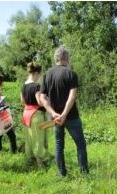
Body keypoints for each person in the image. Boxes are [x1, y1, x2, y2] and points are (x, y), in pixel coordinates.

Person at [40, 47, 89, 177]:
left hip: (55, 118)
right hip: (71, 116)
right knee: (80, 144)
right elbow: (72, 96)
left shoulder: (47, 75)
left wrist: (53, 112)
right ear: (66, 59)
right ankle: (84, 173)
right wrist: (65, 114)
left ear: (56, 58)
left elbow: (42, 97)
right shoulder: (70, 73)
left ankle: (62, 174)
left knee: (58, 145)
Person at [21, 62, 50, 168]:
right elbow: (39, 102)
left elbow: (22, 101)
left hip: (26, 114)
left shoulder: (24, 85)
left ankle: (30, 159)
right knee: (39, 138)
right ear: (36, 73)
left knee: (29, 138)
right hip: (36, 115)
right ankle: (41, 162)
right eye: (40, 74)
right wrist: (47, 101)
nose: (40, 77)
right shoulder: (37, 86)